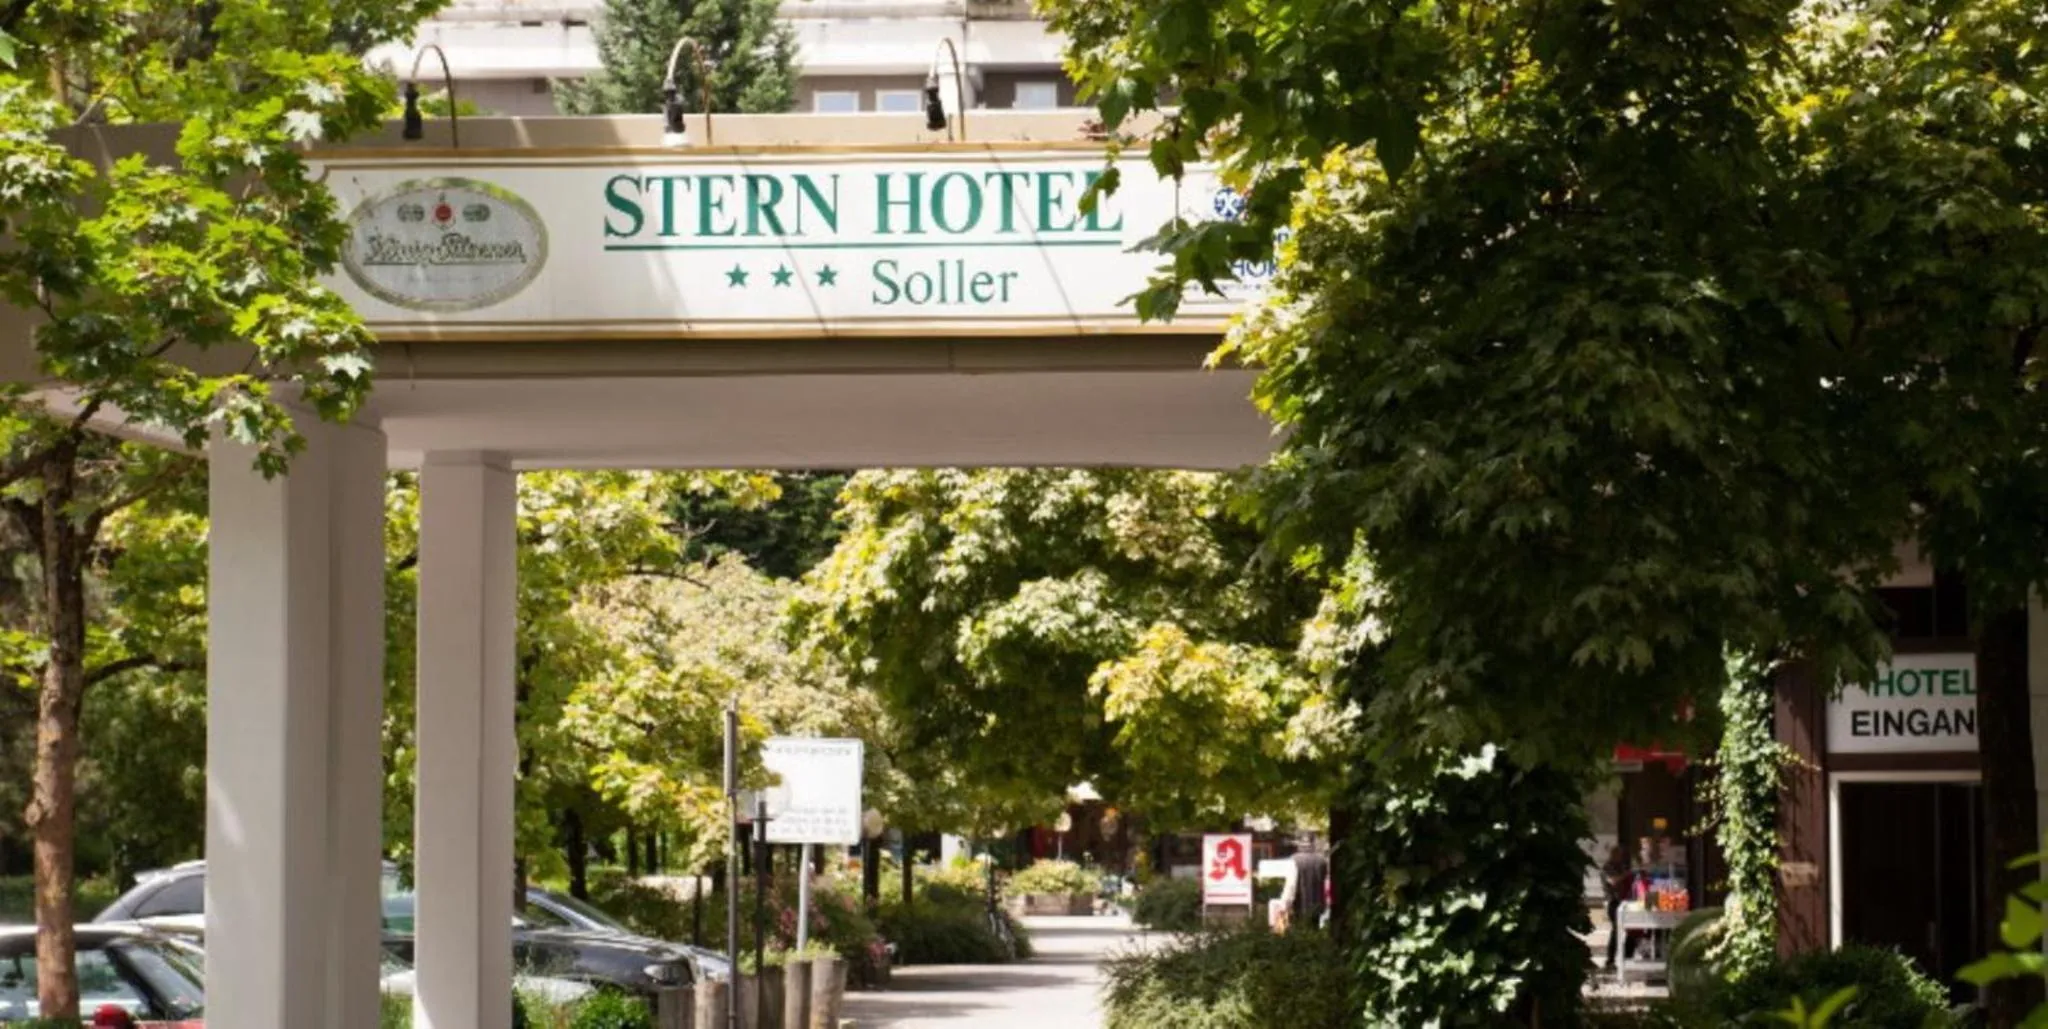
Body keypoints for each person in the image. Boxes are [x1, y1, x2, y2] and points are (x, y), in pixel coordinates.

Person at [1279, 839, 1331, 930]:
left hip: (1300, 906)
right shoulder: (1322, 861)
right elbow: (1326, 883)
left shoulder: (1295, 860)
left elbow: (1291, 885)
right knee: (1314, 931)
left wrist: (1284, 905)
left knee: (1300, 933)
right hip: (1317, 906)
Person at [1602, 843, 1634, 970]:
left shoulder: (1620, 866)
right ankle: (1610, 960)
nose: (1621, 857)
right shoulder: (1607, 867)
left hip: (1624, 901)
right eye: (1619, 854)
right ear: (1613, 854)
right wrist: (1627, 874)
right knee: (1616, 931)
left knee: (1629, 930)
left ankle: (1627, 956)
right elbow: (1613, 881)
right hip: (1613, 902)